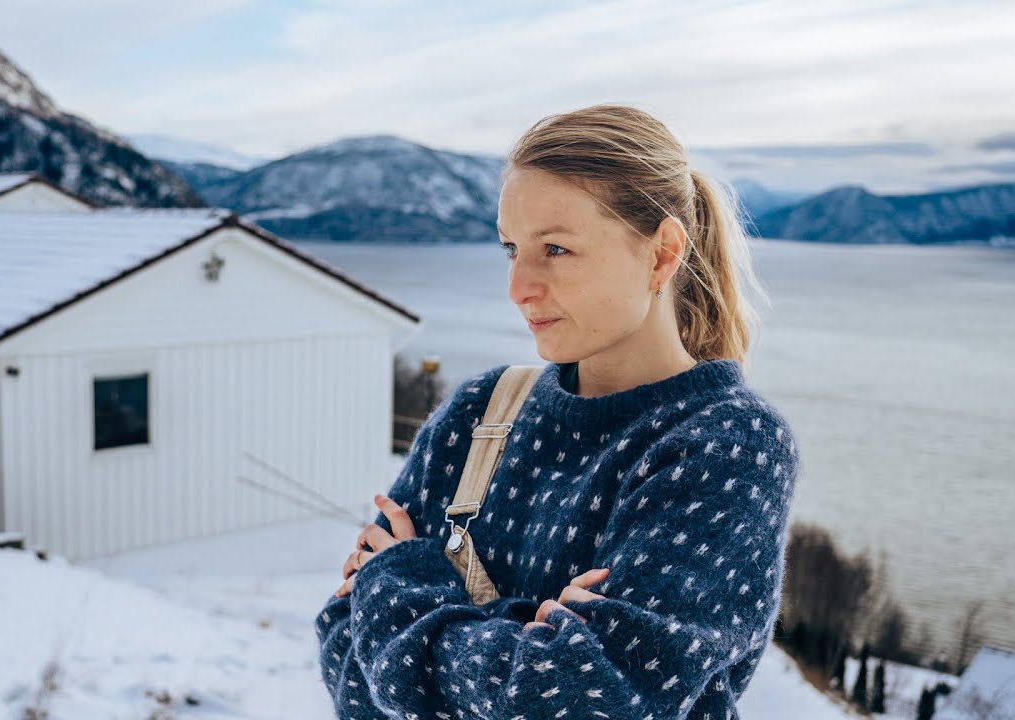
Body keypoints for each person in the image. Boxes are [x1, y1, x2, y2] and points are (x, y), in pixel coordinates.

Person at [314, 103, 800, 720]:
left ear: (661, 253)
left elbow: (577, 703)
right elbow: (345, 667)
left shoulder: (726, 446)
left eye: (556, 250)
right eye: (511, 248)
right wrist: (530, 636)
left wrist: (403, 585)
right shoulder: (479, 413)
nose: (519, 286)